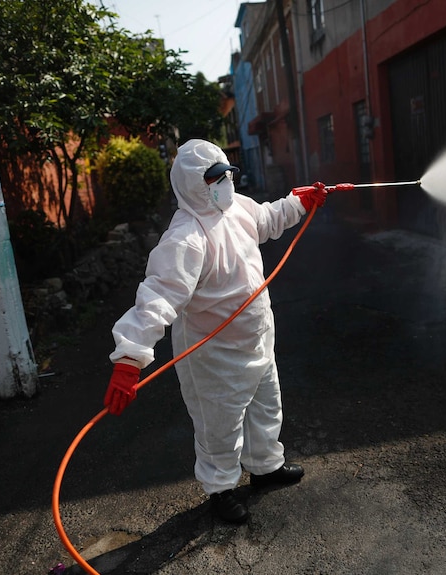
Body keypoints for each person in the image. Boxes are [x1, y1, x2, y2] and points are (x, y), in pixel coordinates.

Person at [104, 139, 327, 523]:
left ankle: (265, 466)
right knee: (219, 428)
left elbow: (267, 220)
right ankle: (221, 489)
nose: (225, 182)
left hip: (256, 337)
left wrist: (298, 203)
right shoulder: (185, 237)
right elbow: (158, 297)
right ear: (193, 184)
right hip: (214, 354)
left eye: (227, 173)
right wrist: (129, 358)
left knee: (266, 406)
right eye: (214, 178)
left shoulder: (236, 207)